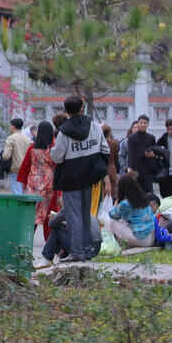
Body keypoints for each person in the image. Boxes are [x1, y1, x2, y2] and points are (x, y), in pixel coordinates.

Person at [49, 95, 108, 262]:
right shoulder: (94, 126)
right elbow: (104, 148)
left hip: (71, 178)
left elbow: (57, 157)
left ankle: (77, 251)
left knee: (73, 215)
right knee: (85, 213)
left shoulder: (64, 131)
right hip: (89, 176)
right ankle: (87, 248)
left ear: (66, 111)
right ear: (82, 108)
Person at [16, 121, 57, 237]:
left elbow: (25, 166)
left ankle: (27, 238)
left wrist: (23, 183)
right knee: (48, 212)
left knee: (31, 214)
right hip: (48, 184)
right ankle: (48, 240)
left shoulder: (32, 148)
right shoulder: (52, 149)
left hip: (33, 183)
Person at [108, 174, 156, 248]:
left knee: (112, 222)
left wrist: (115, 204)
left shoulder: (125, 204)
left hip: (141, 240)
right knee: (125, 221)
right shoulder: (144, 198)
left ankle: (116, 244)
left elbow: (112, 214)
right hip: (151, 238)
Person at [3, 117, 32, 194]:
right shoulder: (28, 139)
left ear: (13, 126)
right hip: (25, 169)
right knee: (23, 192)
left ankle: (18, 206)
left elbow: (6, 156)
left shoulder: (11, 138)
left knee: (16, 192)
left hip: (15, 169)